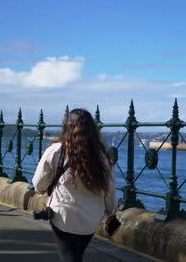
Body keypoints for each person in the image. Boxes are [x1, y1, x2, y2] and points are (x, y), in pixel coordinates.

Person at [32, 108, 117, 262]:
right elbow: (109, 190)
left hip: (63, 216)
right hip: (90, 220)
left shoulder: (55, 151)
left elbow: (38, 184)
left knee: (69, 256)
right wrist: (111, 212)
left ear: (66, 127)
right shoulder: (102, 156)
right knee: (75, 255)